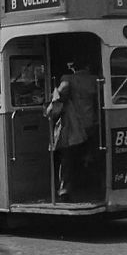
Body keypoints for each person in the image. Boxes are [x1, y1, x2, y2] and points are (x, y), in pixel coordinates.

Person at [46, 55, 99, 202]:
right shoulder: (95, 80)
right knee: (89, 156)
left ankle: (65, 189)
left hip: (74, 126)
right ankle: (93, 186)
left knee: (67, 158)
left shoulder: (68, 79)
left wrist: (50, 110)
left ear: (73, 67)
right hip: (92, 124)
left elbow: (58, 99)